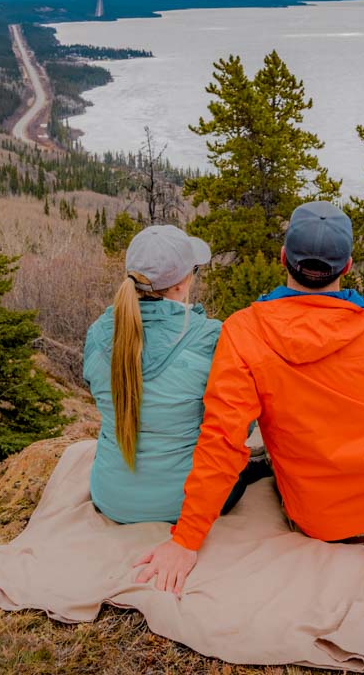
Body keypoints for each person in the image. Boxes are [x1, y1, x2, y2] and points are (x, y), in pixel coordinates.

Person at [136, 201, 364, 594]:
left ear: (283, 257)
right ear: (348, 265)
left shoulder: (243, 331)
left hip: (319, 522)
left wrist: (185, 541)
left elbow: (221, 442)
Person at [84, 223, 266, 524]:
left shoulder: (97, 334)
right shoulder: (211, 337)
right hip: (190, 500)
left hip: (111, 497)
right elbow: (237, 426)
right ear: (181, 284)